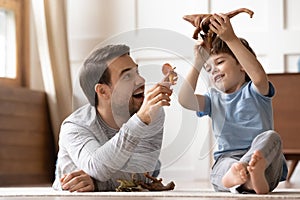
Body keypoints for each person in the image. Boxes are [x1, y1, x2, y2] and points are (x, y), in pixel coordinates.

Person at [178, 13, 287, 194]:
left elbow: (259, 75)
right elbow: (184, 100)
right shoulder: (213, 99)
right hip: (227, 162)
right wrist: (197, 62)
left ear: (242, 65)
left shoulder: (255, 90)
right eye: (209, 68)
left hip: (264, 162)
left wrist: (231, 39)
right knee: (225, 168)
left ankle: (250, 172)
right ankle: (250, 181)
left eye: (220, 62)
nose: (214, 71)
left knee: (272, 137)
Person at [52, 44, 177, 192]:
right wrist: (140, 120)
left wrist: (97, 184)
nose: (141, 80)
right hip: (76, 166)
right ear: (103, 91)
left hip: (130, 161)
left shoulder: (153, 113)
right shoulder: (75, 127)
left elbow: (141, 174)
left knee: (153, 166)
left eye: (137, 72)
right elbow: (96, 168)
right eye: (127, 76)